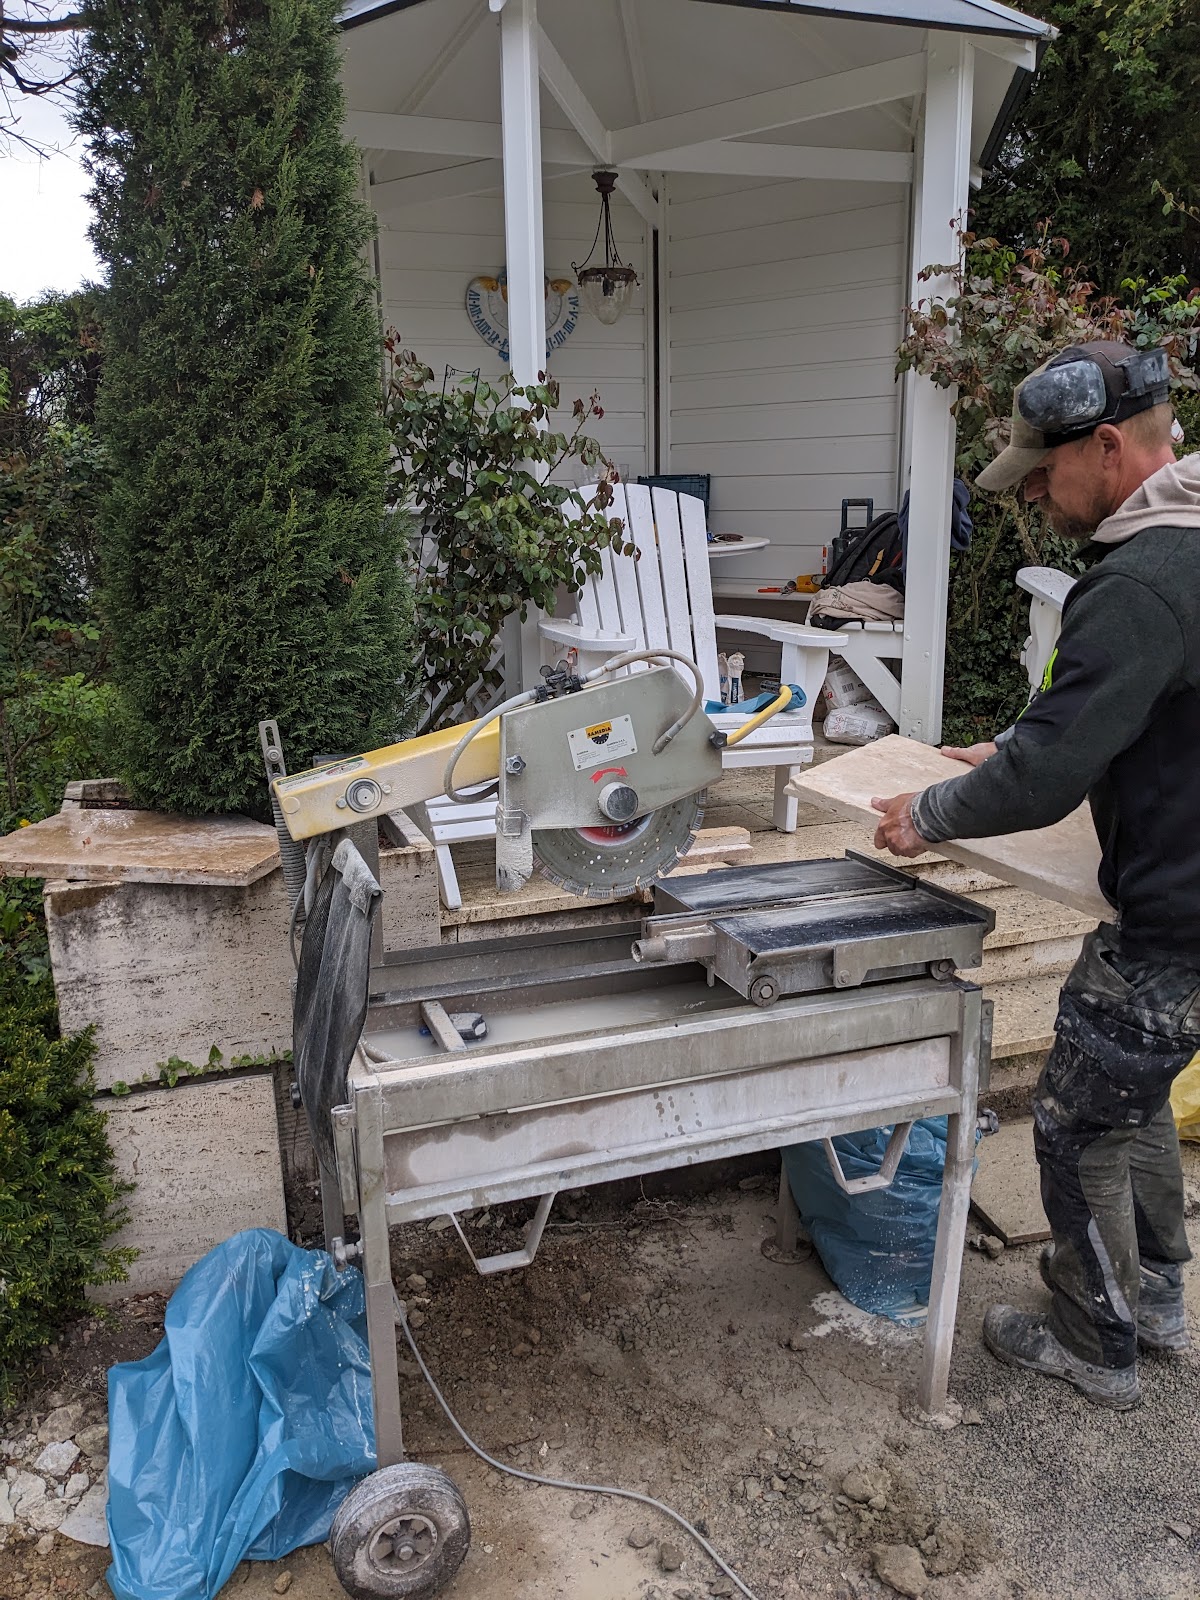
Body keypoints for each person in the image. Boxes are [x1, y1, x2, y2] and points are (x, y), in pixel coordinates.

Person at [871, 339, 1200, 1409]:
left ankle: (1095, 1343)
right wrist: (1013, 745)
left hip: (1178, 918)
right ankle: (1156, 1298)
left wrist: (930, 812)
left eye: (1043, 471)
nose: (1033, 495)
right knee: (1133, 1099)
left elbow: (1047, 779)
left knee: (1073, 1119)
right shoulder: (1184, 545)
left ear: (1106, 447)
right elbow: (1114, 715)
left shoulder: (1141, 582)